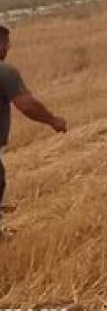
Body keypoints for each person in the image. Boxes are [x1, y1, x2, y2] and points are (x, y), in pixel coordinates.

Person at [0, 22, 67, 236]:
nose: (8, 47)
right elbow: (27, 105)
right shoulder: (5, 73)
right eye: (6, 42)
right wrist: (53, 120)